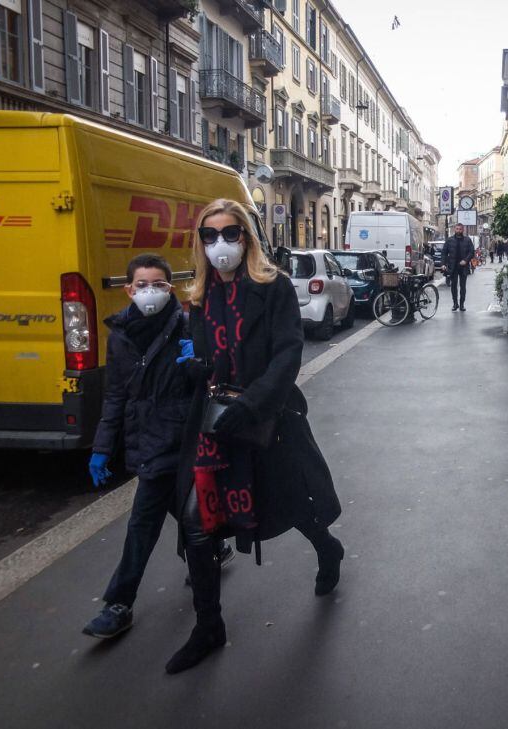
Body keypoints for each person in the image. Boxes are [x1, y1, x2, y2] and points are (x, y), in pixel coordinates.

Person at [166, 198, 342, 674]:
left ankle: (327, 547)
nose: (219, 243)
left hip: (266, 421)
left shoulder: (275, 287)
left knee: (291, 506)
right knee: (196, 523)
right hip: (214, 427)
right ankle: (209, 626)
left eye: (229, 233)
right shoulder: (200, 297)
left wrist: (250, 404)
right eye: (209, 235)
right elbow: (203, 359)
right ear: (200, 243)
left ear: (246, 237)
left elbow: (288, 354)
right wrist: (193, 370)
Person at [82, 254, 235, 641]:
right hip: (145, 440)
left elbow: (212, 377)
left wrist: (198, 366)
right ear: (129, 289)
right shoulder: (120, 335)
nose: (150, 291)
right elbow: (115, 396)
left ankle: (119, 603)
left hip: (178, 440)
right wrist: (102, 447)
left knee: (142, 524)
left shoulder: (186, 326)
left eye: (159, 284)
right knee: (185, 514)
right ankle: (211, 550)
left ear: (171, 288)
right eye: (142, 285)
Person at [444, 223, 476, 312]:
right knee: (453, 286)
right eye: (457, 229)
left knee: (463, 286)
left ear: (463, 230)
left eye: (460, 229)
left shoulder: (467, 240)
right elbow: (444, 253)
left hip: (463, 267)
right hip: (452, 267)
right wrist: (443, 264)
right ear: (455, 229)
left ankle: (462, 304)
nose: (458, 231)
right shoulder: (449, 240)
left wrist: (465, 260)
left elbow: (471, 252)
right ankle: (455, 304)